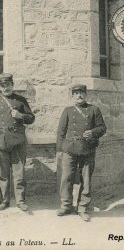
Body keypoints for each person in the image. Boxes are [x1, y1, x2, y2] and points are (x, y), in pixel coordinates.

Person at [56, 84, 106, 222]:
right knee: (66, 177)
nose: (79, 96)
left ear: (86, 95)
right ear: (72, 96)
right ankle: (66, 205)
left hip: (87, 149)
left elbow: (102, 128)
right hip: (69, 149)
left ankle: (83, 207)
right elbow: (61, 132)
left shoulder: (94, 110)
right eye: (76, 93)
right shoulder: (67, 111)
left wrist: (93, 133)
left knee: (86, 180)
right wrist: (59, 150)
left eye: (81, 93)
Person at [0, 73, 35, 212]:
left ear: (12, 85)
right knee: (3, 173)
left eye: (8, 85)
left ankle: (20, 201)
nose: (5, 88)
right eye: (2, 86)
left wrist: (20, 116)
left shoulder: (21, 100)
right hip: (1, 141)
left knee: (19, 173)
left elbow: (31, 118)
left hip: (18, 141)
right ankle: (5, 201)